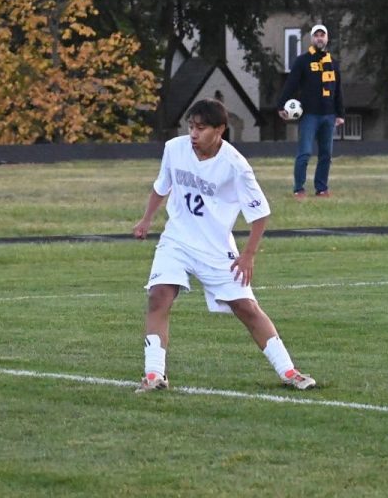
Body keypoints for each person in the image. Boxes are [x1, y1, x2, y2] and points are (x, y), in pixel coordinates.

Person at [132, 98, 316, 393]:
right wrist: (146, 220)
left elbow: (259, 214)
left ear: (220, 130)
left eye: (201, 128)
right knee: (158, 296)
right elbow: (161, 187)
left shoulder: (236, 166)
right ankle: (154, 375)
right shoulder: (174, 149)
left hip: (216, 248)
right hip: (177, 240)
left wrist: (248, 255)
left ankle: (289, 371)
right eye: (191, 127)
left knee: (246, 308)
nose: (193, 134)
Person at [277, 23, 345, 197]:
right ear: (312, 38)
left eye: (323, 35)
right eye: (317, 35)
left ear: (327, 38)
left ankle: (321, 188)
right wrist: (281, 105)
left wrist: (340, 113)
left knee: (326, 155)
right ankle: (298, 188)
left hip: (329, 115)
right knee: (305, 153)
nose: (319, 38)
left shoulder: (333, 63)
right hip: (309, 115)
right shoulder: (302, 61)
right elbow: (290, 84)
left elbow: (338, 90)